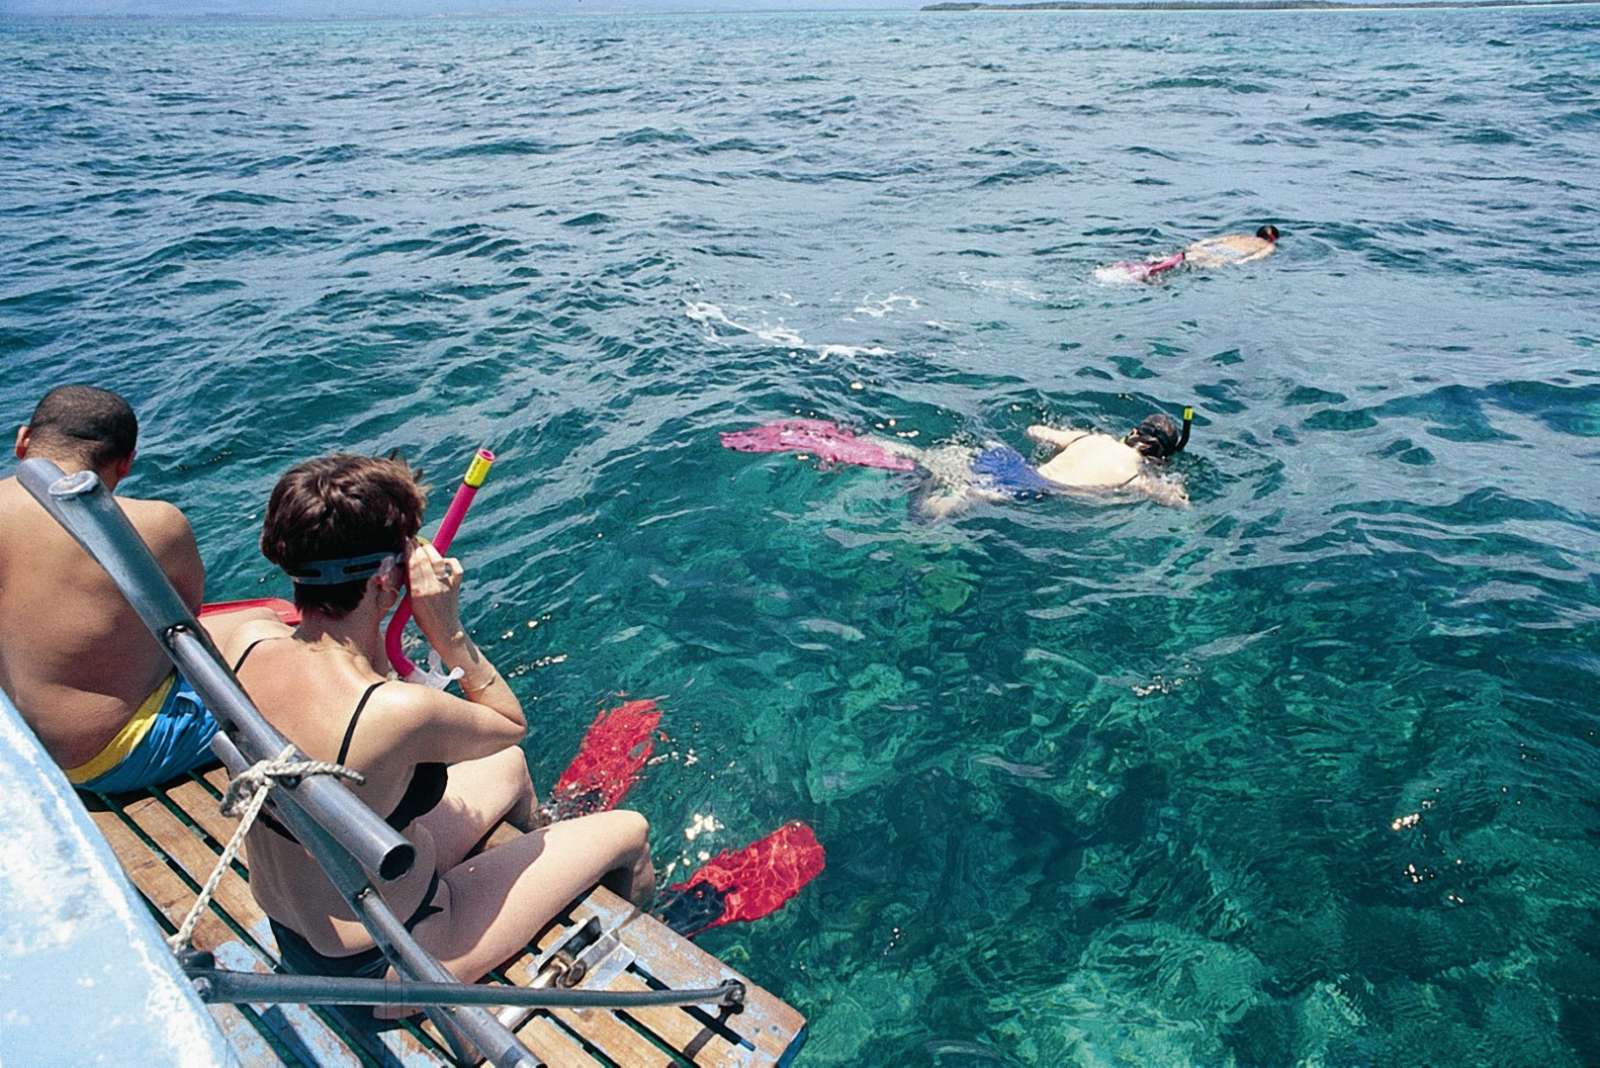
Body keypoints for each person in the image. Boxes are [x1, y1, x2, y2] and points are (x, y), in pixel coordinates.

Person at [217, 454, 652, 1013]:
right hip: (394, 959)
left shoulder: (248, 640)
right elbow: (508, 723)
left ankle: (550, 851)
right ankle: (647, 945)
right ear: (383, 576)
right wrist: (446, 629)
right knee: (630, 832)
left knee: (512, 772)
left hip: (308, 921)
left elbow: (336, 678)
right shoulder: (392, 710)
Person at [0, 386, 264, 792]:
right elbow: (184, 622)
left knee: (251, 621)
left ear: (23, 441)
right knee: (272, 646)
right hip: (108, 760)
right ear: (125, 465)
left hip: (21, 746)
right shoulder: (155, 525)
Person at [721, 409, 1192, 518]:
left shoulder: (1094, 437)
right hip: (1028, 487)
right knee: (936, 514)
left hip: (1005, 458)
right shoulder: (1138, 475)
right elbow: (1174, 501)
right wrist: (1182, 499)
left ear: (1134, 432)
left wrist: (1059, 443)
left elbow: (1036, 433)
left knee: (928, 457)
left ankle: (860, 441)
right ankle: (926, 491)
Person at [1102, 225, 1280, 282]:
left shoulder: (1240, 236)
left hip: (1206, 249)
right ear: (1272, 239)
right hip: (1224, 255)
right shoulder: (1268, 246)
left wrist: (1195, 245)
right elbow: (1257, 256)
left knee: (1181, 258)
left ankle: (1130, 267)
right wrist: (1240, 263)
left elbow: (1212, 241)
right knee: (1184, 267)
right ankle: (1143, 275)